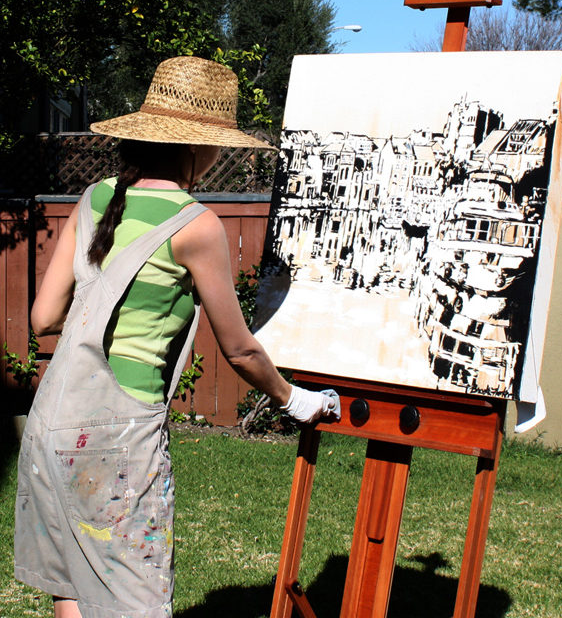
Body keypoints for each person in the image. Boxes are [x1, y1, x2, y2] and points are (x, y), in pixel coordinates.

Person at [14, 56, 339, 618]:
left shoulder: (94, 198)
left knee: (73, 585)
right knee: (134, 597)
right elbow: (238, 350)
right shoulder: (197, 226)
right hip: (120, 436)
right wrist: (295, 400)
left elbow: (43, 318)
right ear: (201, 146)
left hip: (51, 422)